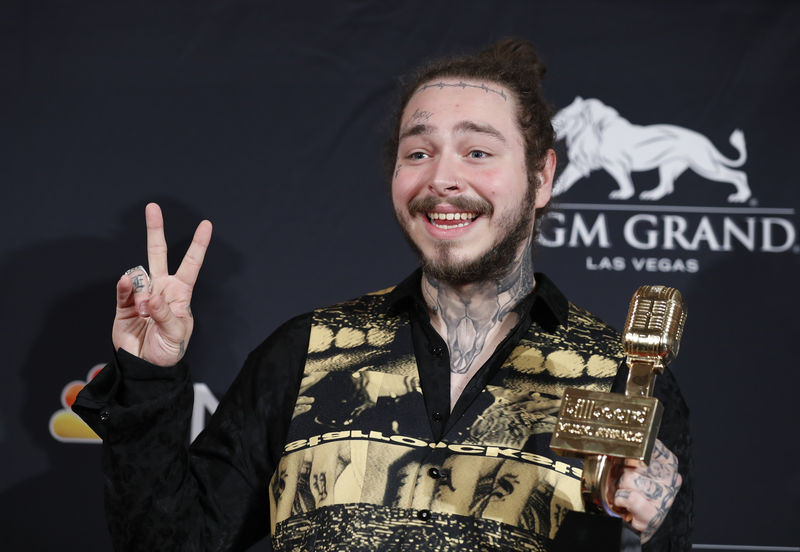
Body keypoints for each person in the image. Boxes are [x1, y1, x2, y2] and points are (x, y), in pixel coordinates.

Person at [74, 39, 692, 551]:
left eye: (478, 152)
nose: (442, 179)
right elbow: (171, 542)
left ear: (542, 176)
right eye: (417, 152)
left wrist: (660, 522)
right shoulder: (305, 351)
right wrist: (152, 376)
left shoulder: (623, 377)